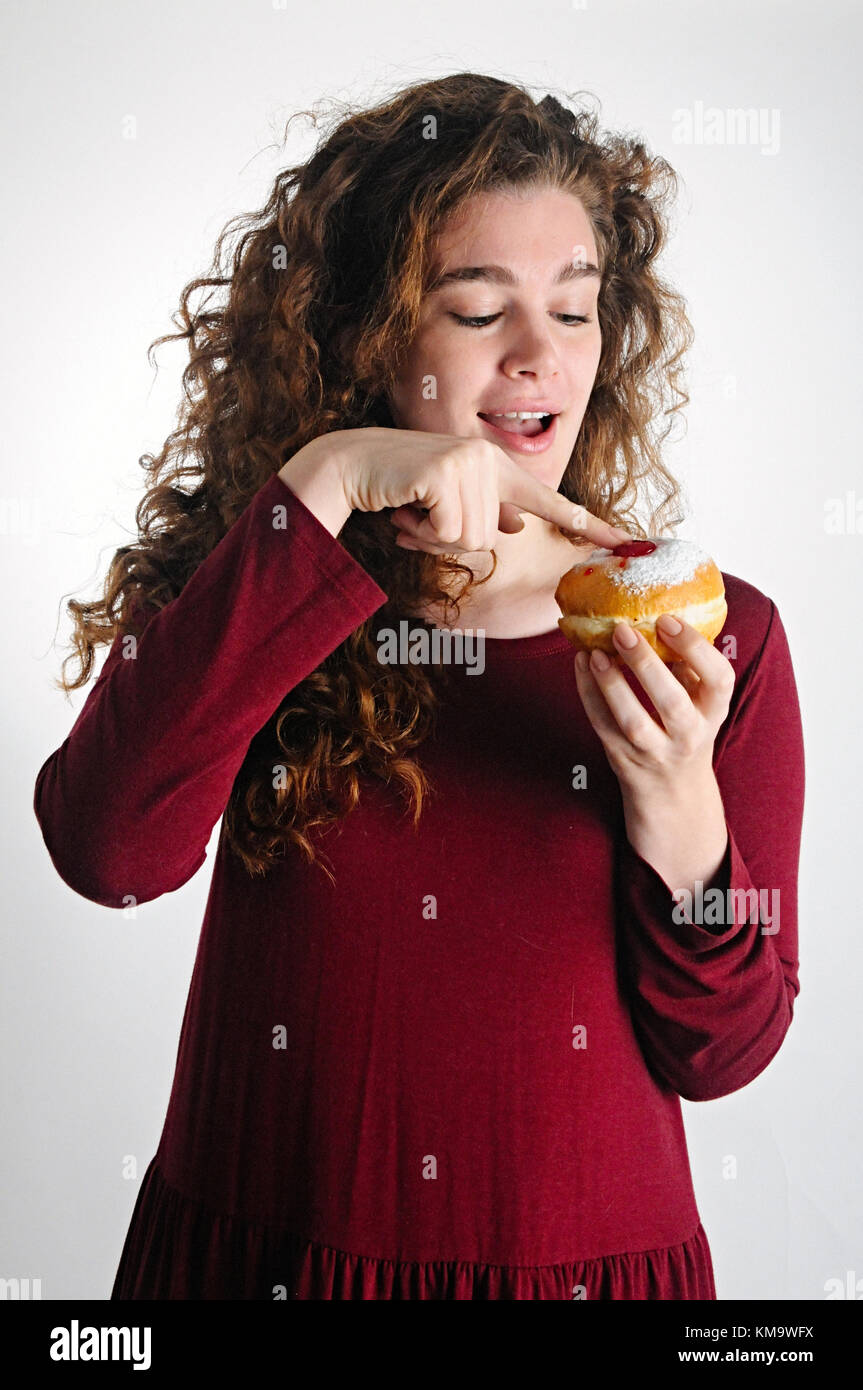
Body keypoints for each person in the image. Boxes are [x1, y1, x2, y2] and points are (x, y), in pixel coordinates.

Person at [33, 73, 804, 1300]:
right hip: (260, 1259)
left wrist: (683, 822)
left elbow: (725, 1053)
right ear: (370, 330)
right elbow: (103, 849)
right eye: (474, 307)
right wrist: (326, 480)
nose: (539, 355)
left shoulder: (715, 638)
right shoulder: (265, 573)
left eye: (574, 309)